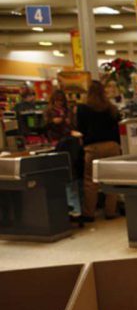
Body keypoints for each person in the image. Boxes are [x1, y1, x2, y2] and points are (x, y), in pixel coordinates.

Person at [75, 80, 121, 222]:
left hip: (93, 147)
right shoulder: (112, 108)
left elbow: (80, 129)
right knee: (112, 179)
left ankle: (89, 214)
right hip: (112, 146)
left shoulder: (82, 108)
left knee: (90, 181)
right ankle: (110, 212)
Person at [47, 89, 83, 220]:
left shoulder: (68, 112)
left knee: (71, 179)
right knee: (69, 179)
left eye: (61, 101)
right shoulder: (51, 113)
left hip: (68, 146)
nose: (59, 103)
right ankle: (73, 209)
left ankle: (74, 209)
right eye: (57, 101)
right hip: (61, 146)